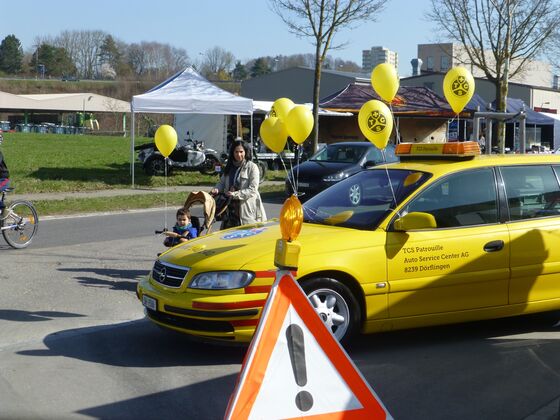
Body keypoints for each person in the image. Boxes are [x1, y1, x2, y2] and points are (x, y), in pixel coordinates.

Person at [211, 139, 267, 229]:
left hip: (247, 212)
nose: (239, 154)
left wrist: (234, 194)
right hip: (229, 211)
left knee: (247, 238)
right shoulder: (229, 167)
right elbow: (221, 183)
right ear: (232, 153)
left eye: (241, 152)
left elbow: (253, 190)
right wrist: (217, 189)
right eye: (236, 152)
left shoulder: (252, 167)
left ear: (246, 152)